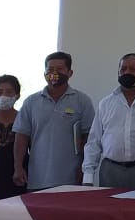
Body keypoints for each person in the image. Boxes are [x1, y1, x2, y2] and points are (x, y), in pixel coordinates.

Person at [13, 52, 95, 191]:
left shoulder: (82, 101)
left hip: (71, 180)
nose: (54, 73)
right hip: (37, 179)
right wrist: (18, 167)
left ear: (70, 73)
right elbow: (21, 136)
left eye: (60, 69)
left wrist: (85, 169)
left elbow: (89, 139)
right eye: (50, 69)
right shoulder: (31, 102)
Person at [82, 53, 135, 190]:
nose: (127, 72)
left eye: (133, 69)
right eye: (123, 69)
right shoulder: (105, 103)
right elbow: (94, 141)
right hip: (111, 171)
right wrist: (88, 176)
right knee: (107, 204)